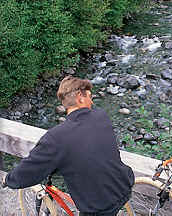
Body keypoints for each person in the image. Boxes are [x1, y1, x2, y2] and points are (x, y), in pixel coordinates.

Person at [1, 76, 134, 216]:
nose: (92, 101)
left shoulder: (56, 137)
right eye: (89, 96)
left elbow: (28, 170)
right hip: (124, 186)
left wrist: (8, 180)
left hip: (99, 207)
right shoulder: (101, 116)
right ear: (80, 97)